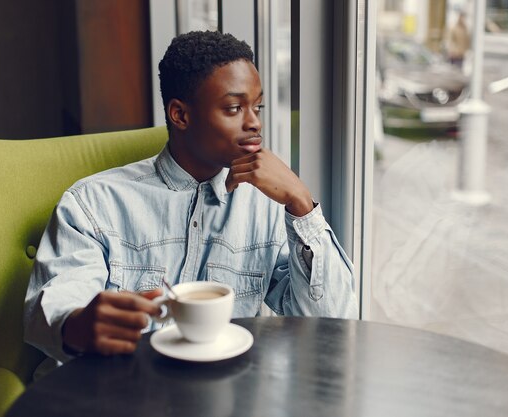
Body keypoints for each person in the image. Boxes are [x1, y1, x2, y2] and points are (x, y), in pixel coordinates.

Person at [24, 30, 358, 367]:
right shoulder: (93, 204)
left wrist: (301, 202)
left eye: (257, 107)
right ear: (180, 115)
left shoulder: (270, 208)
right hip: (119, 395)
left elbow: (330, 322)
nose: (255, 123)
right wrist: (79, 326)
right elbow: (52, 310)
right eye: (233, 108)